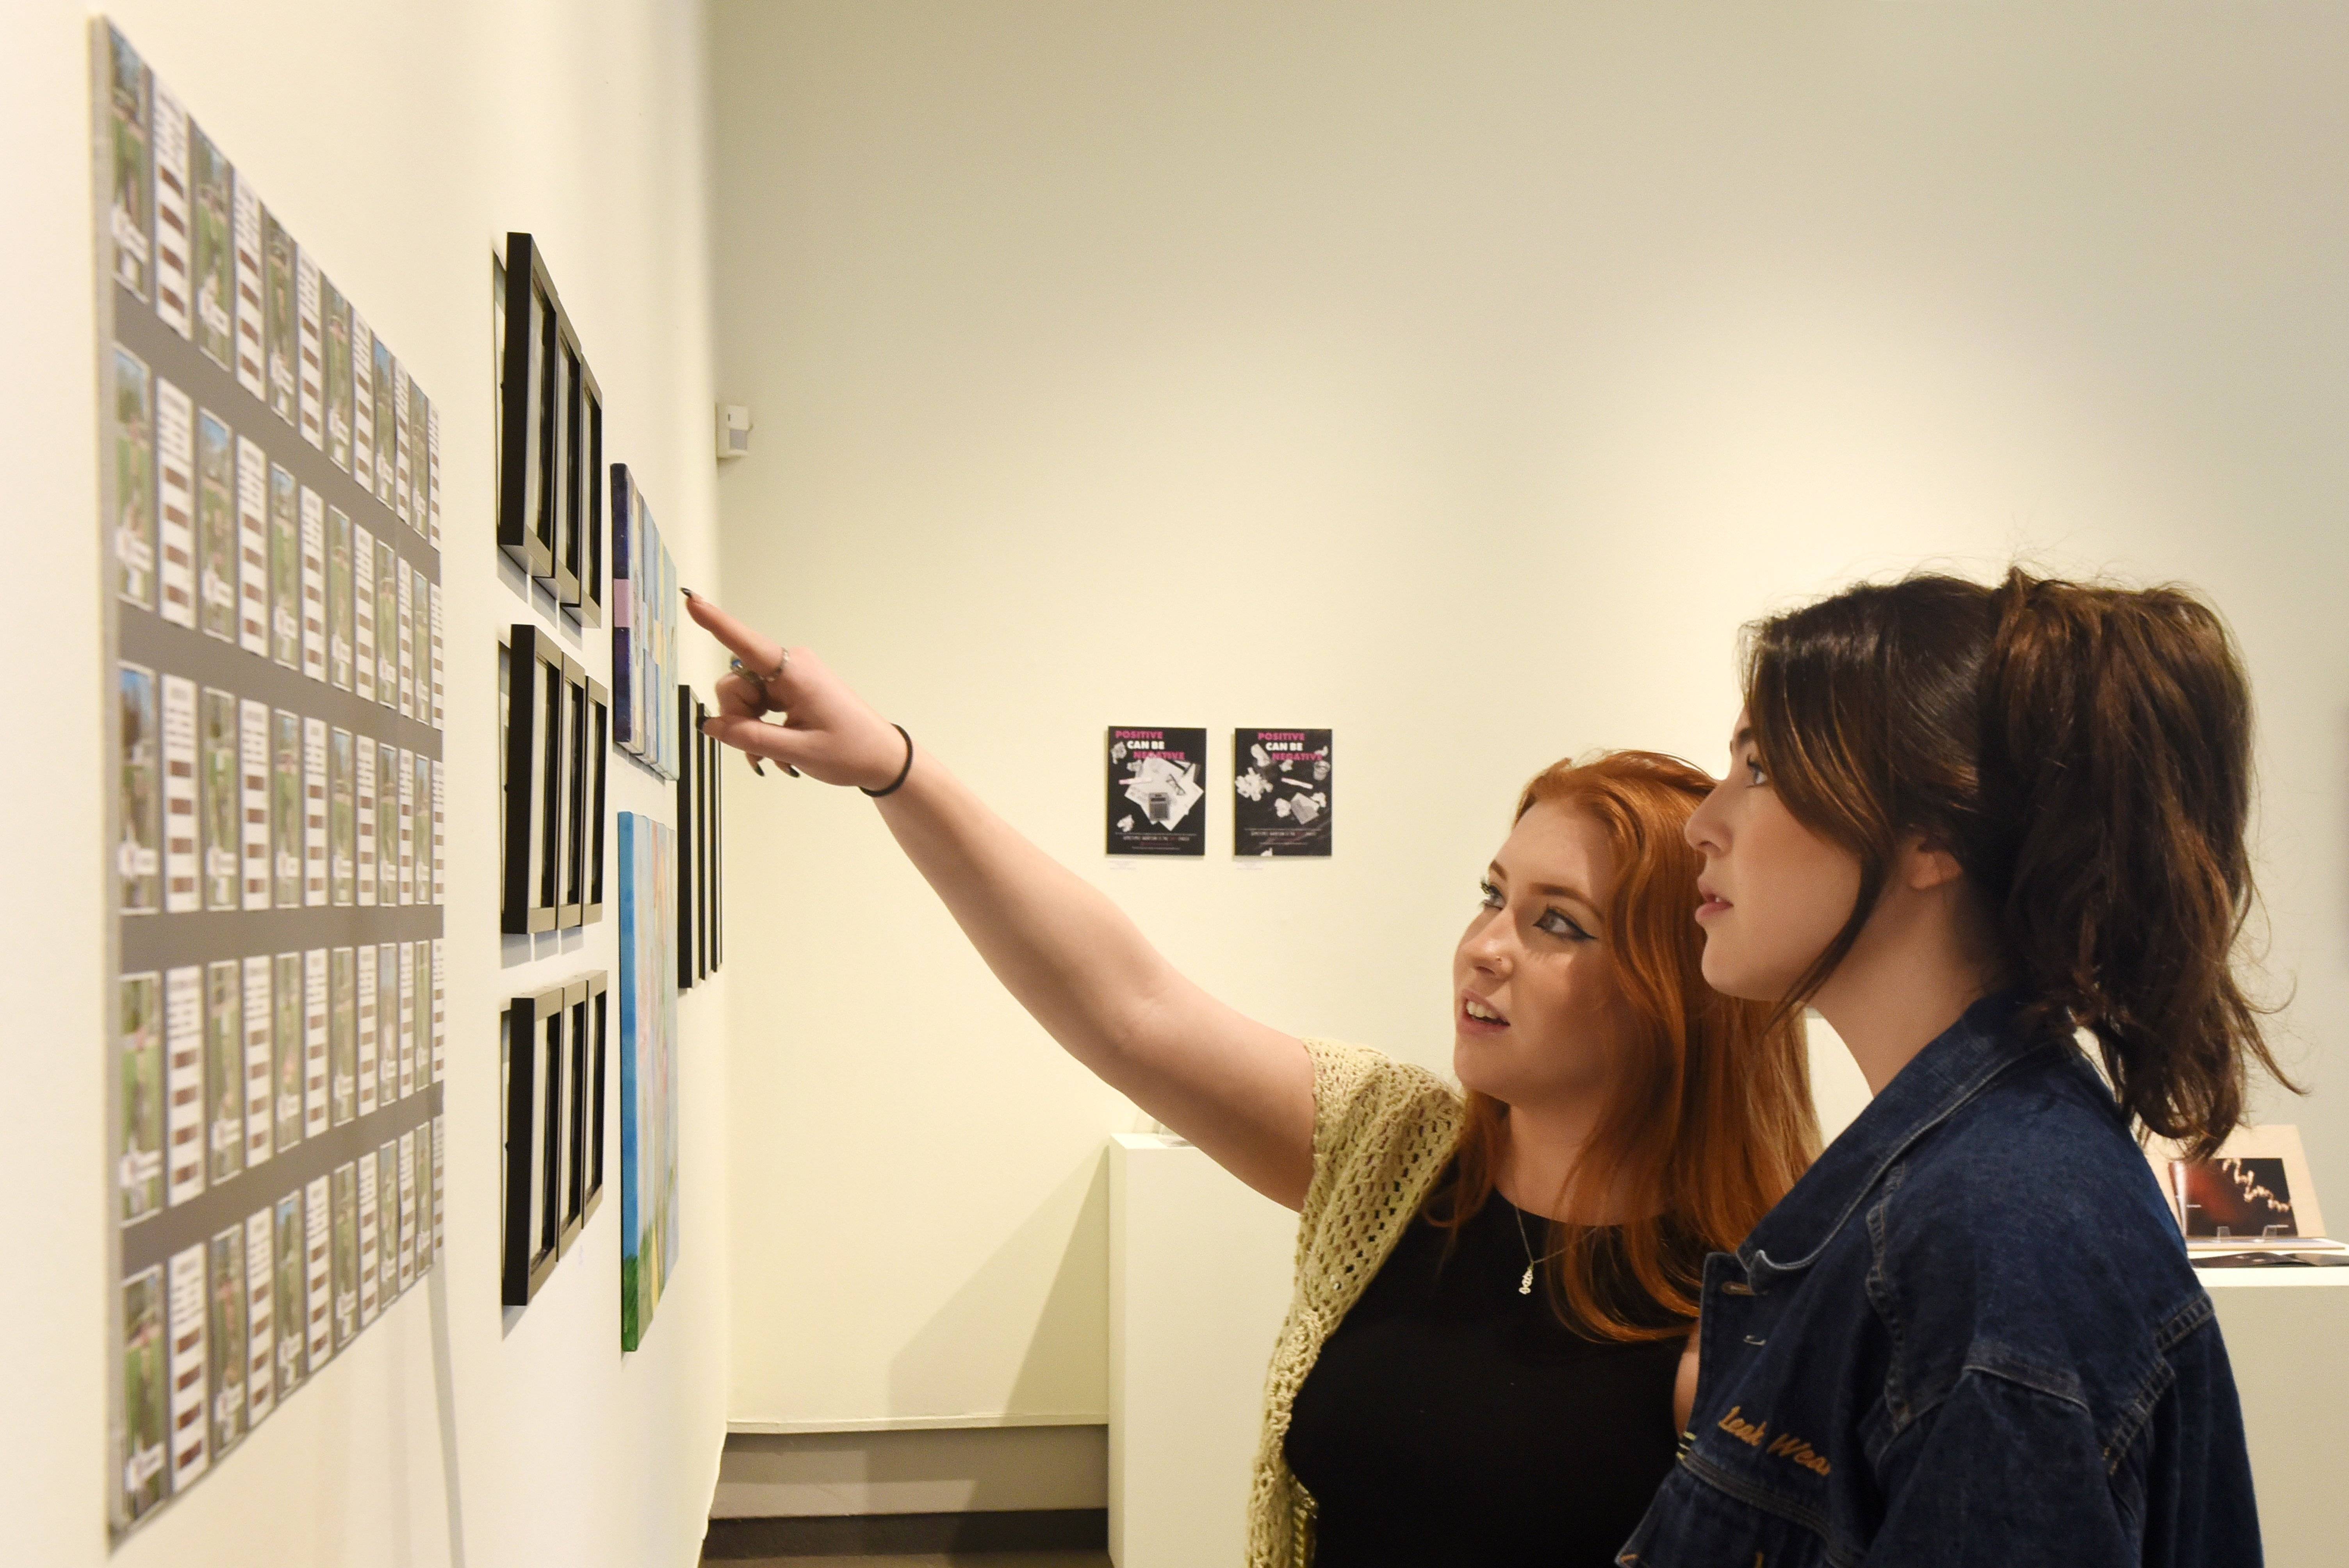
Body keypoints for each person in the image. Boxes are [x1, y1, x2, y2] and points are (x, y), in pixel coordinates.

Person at [683, 592, 1816, 1568]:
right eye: (1491, 896)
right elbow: (1129, 1009)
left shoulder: (1744, 1314)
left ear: (1681, 989)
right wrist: (894, 767)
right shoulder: (1399, 1149)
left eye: (1557, 924)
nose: (1485, 947)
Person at [1619, 568, 2288, 1568]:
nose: (1701, 822)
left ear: (1928, 836)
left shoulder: (1991, 1228)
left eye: (1758, 769)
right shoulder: (1963, 1191)